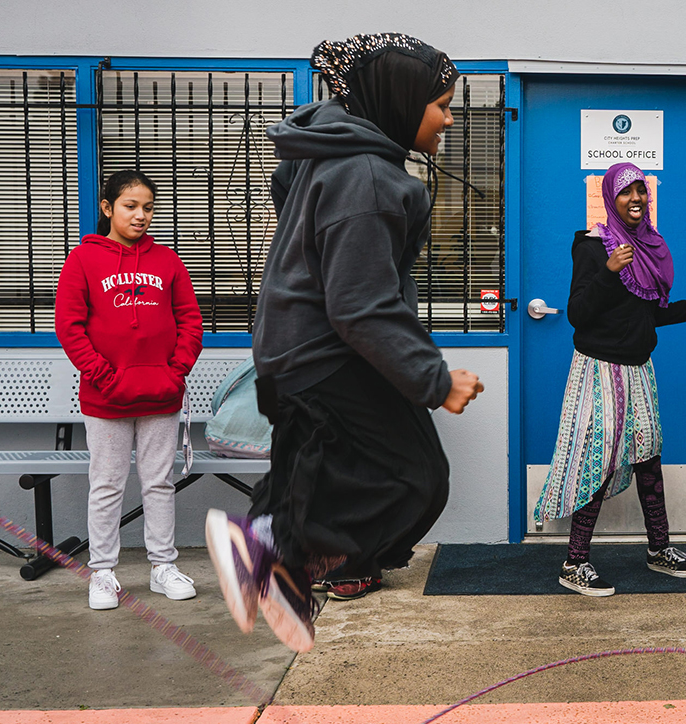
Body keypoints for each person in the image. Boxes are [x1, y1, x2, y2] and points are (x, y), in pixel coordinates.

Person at [205, 34, 483, 653]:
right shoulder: (367, 178)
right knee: (416, 478)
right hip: (326, 353)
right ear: (398, 102)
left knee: (312, 474)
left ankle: (268, 553)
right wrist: (435, 380)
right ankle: (275, 559)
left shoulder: (325, 154)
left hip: (287, 351)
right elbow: (360, 305)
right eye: (440, 103)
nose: (449, 117)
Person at [533, 162, 686, 596]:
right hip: (599, 369)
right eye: (626, 192)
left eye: (642, 191)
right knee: (597, 462)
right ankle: (575, 562)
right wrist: (607, 270)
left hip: (640, 370)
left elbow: (652, 314)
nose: (636, 199)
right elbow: (578, 314)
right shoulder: (592, 245)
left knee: (648, 460)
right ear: (611, 198)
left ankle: (659, 550)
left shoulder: (650, 246)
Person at [55, 169, 204, 610]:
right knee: (106, 484)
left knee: (158, 482)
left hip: (161, 395)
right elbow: (70, 327)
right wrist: (104, 375)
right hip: (106, 397)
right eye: (130, 206)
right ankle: (102, 573)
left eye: (149, 208)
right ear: (107, 208)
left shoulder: (167, 261)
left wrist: (175, 373)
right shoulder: (83, 260)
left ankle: (162, 566)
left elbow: (190, 321)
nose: (141, 216)